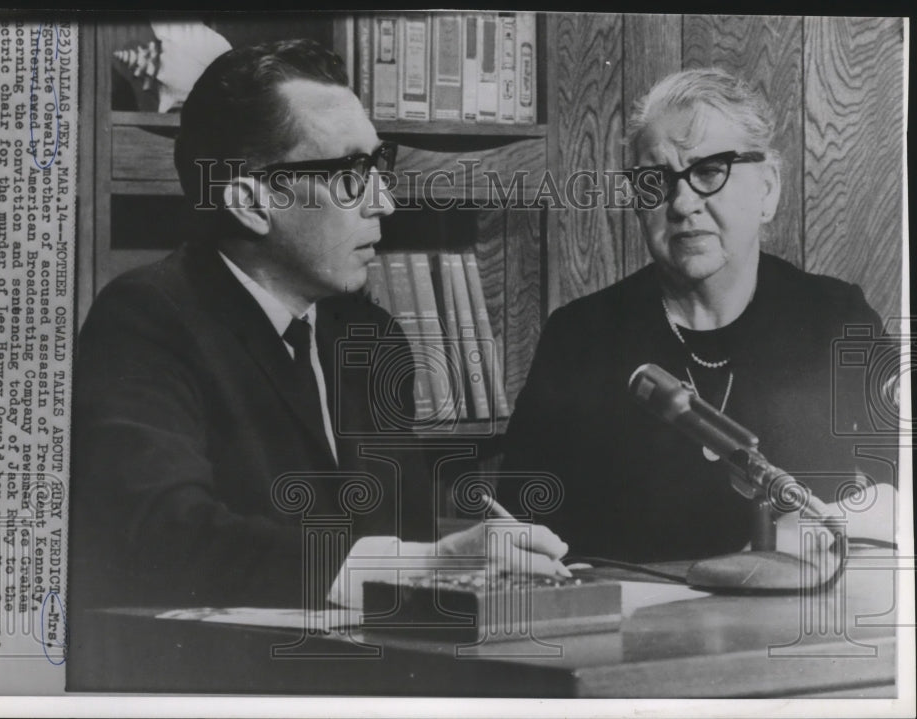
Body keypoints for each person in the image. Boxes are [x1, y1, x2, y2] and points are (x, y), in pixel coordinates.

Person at [68, 39, 569, 632]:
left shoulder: (370, 336)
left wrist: (460, 566)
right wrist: (426, 563)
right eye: (352, 174)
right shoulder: (147, 318)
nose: (384, 201)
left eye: (379, 167)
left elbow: (399, 540)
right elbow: (163, 531)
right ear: (252, 203)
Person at [500, 68, 896, 564]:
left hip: (795, 627)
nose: (683, 203)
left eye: (710, 171)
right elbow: (518, 527)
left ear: (768, 189)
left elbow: (897, 501)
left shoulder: (838, 320)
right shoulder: (579, 336)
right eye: (656, 181)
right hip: (631, 631)